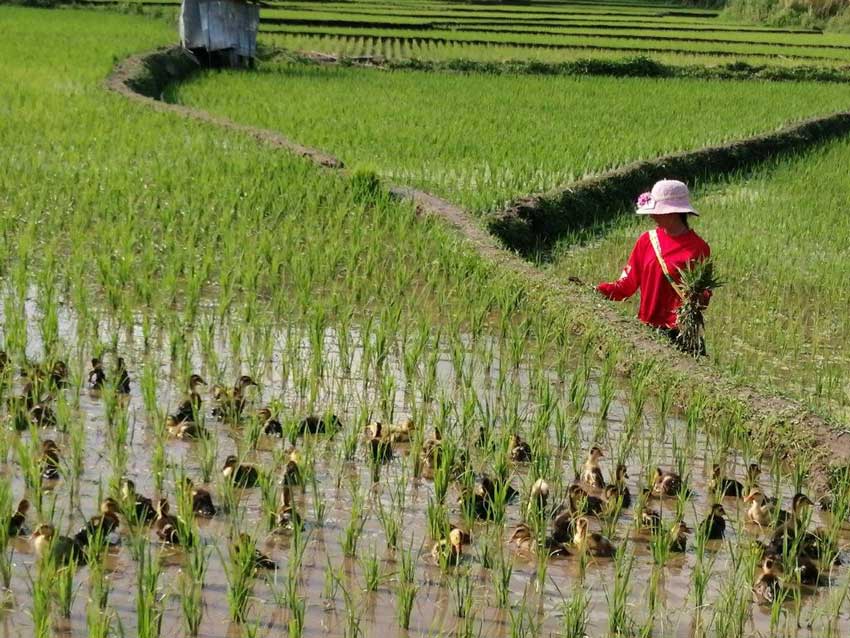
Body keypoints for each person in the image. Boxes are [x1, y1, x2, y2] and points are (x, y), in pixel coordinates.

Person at [593, 179, 711, 351]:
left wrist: (696, 297)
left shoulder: (698, 249)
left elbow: (704, 296)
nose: (651, 215)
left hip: (679, 334)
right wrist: (596, 290)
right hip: (646, 331)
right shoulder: (647, 241)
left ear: (673, 213)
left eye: (657, 211)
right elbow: (626, 285)